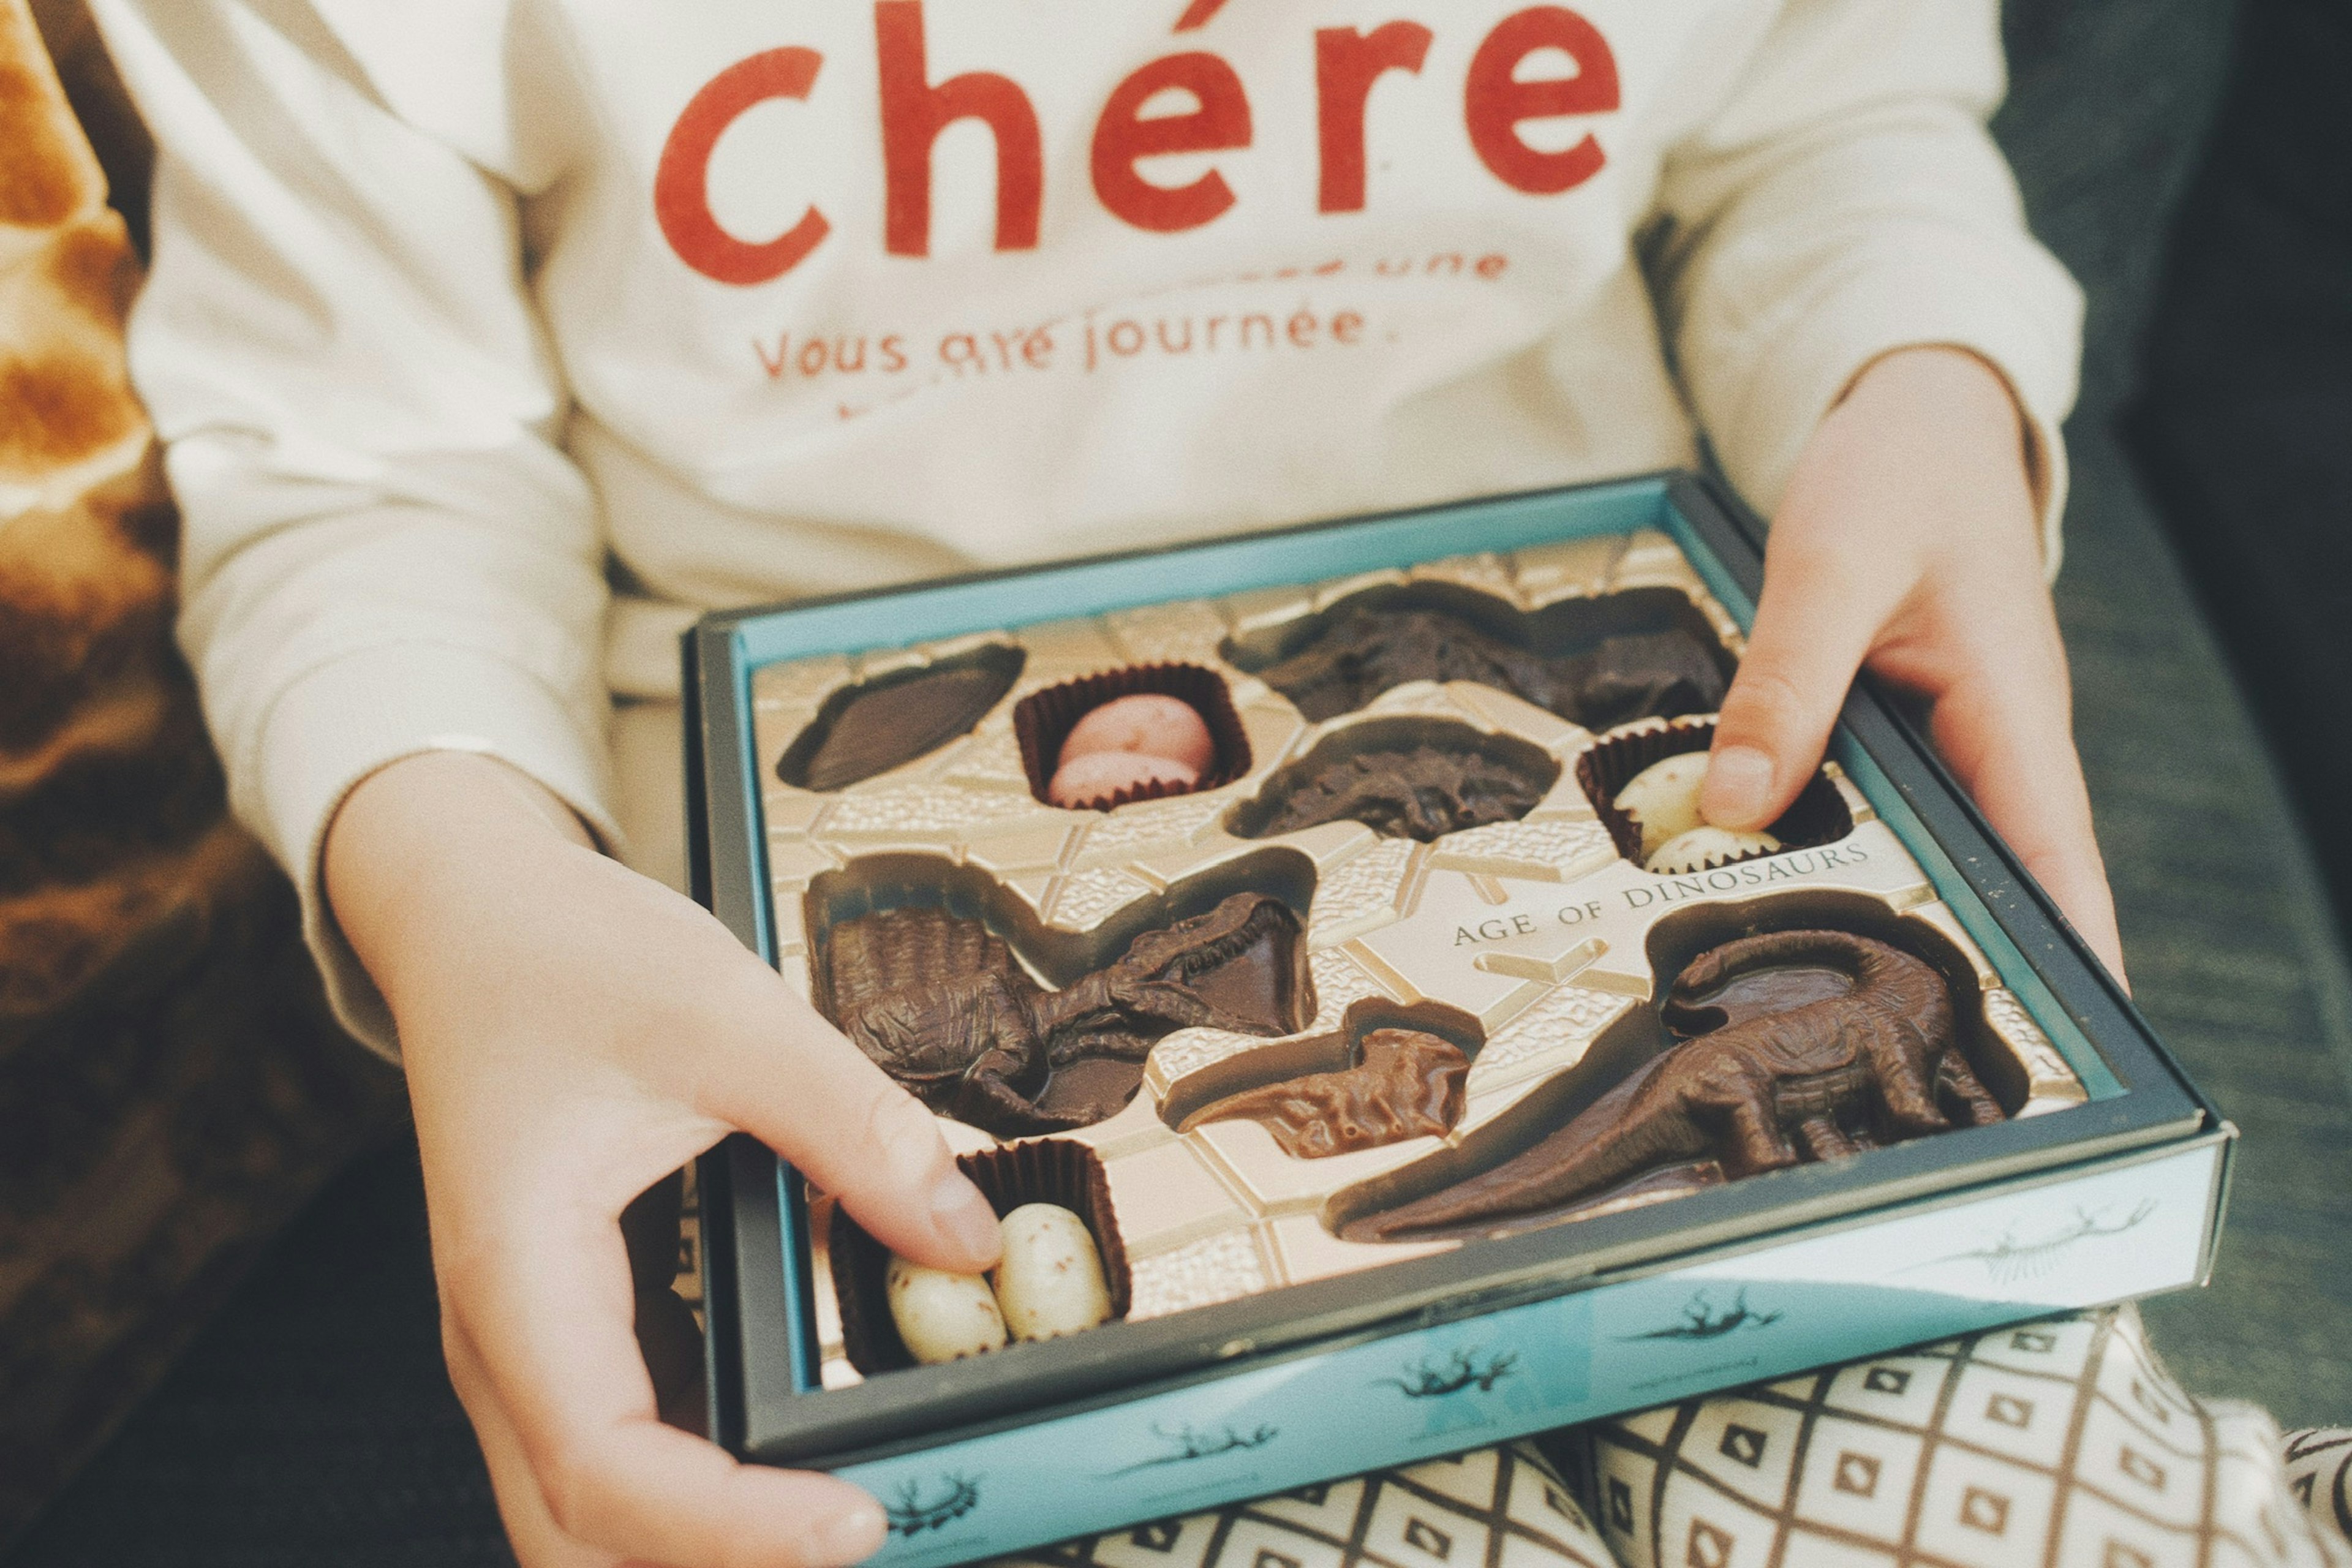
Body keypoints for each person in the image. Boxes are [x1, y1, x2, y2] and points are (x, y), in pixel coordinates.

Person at [86, 2, 2125, 1564]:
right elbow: (367, 456)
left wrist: (1919, 374)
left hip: (1630, 668)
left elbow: (1832, 121)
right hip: (772, 914)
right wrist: (455, 879)